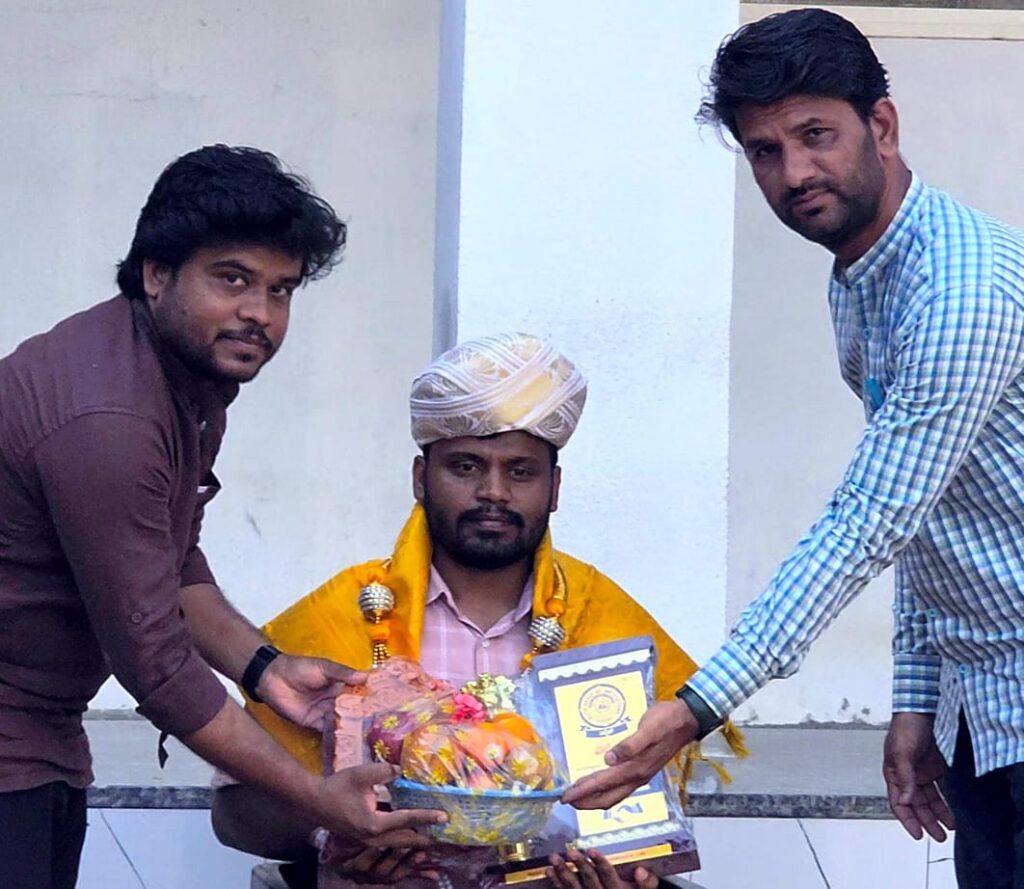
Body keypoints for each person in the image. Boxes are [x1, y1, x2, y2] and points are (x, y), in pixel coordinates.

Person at [564, 9, 1024, 888]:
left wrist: (699, 704)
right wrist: (918, 698)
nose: (794, 173)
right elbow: (931, 512)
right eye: (765, 151)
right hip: (986, 704)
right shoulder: (863, 276)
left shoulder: (960, 288)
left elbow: (871, 520)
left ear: (881, 126)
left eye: (816, 135)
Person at [0, 144, 441, 889]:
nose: (259, 314)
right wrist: (320, 799)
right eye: (232, 279)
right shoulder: (111, 419)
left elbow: (173, 563)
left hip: (42, 740)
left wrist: (265, 668)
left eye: (280, 289)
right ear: (156, 273)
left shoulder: (180, 377)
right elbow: (157, 666)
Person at [213, 332, 744, 889]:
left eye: (520, 471)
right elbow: (233, 815)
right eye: (466, 467)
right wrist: (335, 831)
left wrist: (625, 874)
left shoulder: (603, 619)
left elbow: (645, 823)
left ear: (555, 488)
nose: (494, 491)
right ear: (420, 479)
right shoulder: (342, 617)